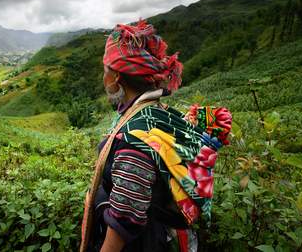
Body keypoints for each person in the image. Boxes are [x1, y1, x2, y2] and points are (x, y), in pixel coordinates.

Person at [80, 20, 232, 252]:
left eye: (105, 71)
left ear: (117, 77)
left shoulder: (134, 140)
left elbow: (125, 220)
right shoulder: (159, 113)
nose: (103, 79)